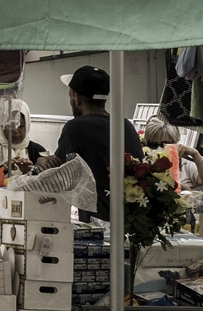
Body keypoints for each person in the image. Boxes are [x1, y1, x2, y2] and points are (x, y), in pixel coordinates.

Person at [52, 64, 140, 206]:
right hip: (126, 213)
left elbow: (59, 174)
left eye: (70, 95)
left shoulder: (75, 128)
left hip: (96, 215)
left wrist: (41, 165)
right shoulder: (124, 125)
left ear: (76, 98)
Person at [0, 99, 45, 187]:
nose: (15, 130)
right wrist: (3, 169)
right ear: (2, 125)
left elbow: (47, 184)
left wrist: (29, 172)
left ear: (27, 125)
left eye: (21, 126)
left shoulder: (38, 151)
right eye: (10, 126)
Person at [143, 117, 203, 192]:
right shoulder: (143, 165)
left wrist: (195, 154)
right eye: (153, 145)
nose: (159, 149)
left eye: (165, 144)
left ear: (175, 142)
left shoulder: (185, 165)